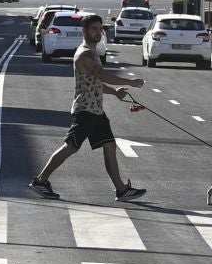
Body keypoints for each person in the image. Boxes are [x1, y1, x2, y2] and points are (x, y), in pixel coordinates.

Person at [28, 13, 147, 202]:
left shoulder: (93, 53)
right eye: (94, 29)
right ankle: (40, 181)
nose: (99, 32)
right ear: (84, 31)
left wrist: (115, 92)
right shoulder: (85, 54)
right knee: (71, 146)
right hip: (85, 110)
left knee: (109, 146)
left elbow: (95, 83)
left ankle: (121, 190)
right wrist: (130, 82)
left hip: (96, 111)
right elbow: (101, 75)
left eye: (100, 28)